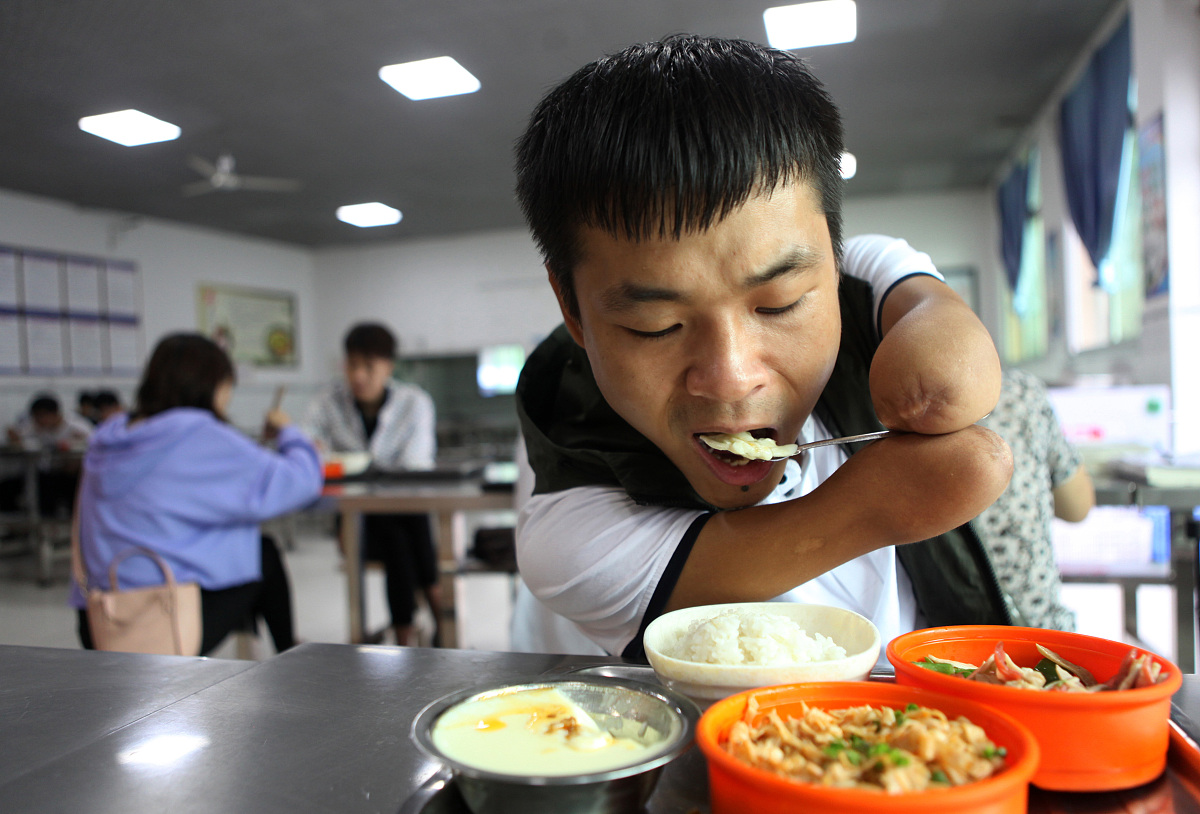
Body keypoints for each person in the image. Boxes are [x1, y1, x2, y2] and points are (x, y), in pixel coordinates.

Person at [511, 34, 1013, 659]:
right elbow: (943, 478)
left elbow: (949, 377)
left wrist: (936, 348)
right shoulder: (571, 535)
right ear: (574, 313)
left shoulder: (857, 280)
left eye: (777, 306)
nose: (730, 377)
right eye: (656, 326)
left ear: (832, 264)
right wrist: (908, 481)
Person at [71, 333, 322, 655]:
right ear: (214, 385)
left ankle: (251, 655)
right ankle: (291, 658)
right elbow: (299, 481)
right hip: (159, 625)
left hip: (97, 619)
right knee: (264, 554)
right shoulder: (197, 433)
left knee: (238, 544)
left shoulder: (109, 436)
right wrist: (289, 432)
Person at [305, 322, 441, 647]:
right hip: (355, 525)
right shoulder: (327, 403)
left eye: (369, 366)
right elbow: (309, 447)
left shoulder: (413, 403)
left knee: (401, 531)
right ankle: (437, 616)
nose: (359, 376)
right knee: (403, 533)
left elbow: (416, 466)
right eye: (352, 365)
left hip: (404, 517)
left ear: (388, 367)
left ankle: (405, 632)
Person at [976, 368, 1095, 630]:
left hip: (935, 637)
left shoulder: (891, 415)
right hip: (1036, 632)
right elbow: (1078, 507)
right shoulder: (1021, 392)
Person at [1, 394, 93, 517]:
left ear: (54, 414)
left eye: (41, 417)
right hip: (47, 474)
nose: (39, 422)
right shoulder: (34, 426)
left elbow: (93, 444)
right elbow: (18, 437)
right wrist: (14, 437)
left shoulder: (78, 426)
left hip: (73, 474)